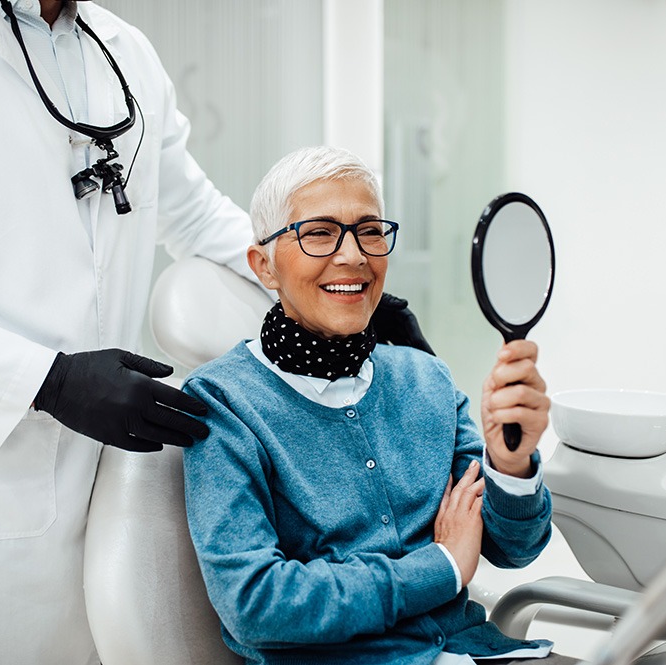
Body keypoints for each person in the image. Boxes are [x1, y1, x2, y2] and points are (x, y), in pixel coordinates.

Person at [0, 2, 428, 663]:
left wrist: (324, 277)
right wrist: (49, 381)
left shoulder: (123, 53)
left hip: (113, 510)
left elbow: (194, 215)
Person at [182, 146, 574, 664]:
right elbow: (256, 605)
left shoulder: (425, 378)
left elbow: (513, 547)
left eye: (370, 231)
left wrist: (511, 463)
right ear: (265, 265)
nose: (353, 256)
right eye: (319, 233)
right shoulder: (224, 403)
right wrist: (442, 566)